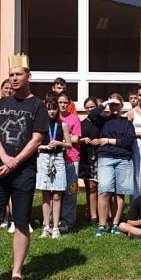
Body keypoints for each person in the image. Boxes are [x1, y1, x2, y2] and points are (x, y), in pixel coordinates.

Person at [0, 56, 49, 280]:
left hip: (24, 171)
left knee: (21, 221)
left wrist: (15, 161)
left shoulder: (37, 106)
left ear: (28, 76)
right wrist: (5, 159)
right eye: (11, 75)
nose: (14, 79)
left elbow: (37, 139)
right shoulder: (1, 104)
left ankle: (17, 272)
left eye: (18, 74)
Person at [90, 94, 137, 235]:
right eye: (112, 104)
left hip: (124, 159)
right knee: (104, 191)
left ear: (122, 105)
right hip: (106, 158)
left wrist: (108, 141)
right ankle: (102, 225)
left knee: (120, 193)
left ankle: (115, 224)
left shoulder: (127, 122)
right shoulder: (103, 120)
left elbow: (128, 141)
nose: (114, 107)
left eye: (117, 104)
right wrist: (106, 102)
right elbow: (92, 115)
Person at [36, 95, 71, 238]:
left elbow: (69, 144)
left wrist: (59, 143)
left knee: (57, 194)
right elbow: (35, 145)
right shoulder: (40, 125)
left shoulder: (62, 124)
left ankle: (56, 227)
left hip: (58, 158)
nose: (51, 112)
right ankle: (46, 226)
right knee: (45, 194)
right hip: (44, 158)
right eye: (49, 109)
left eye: (54, 109)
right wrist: (45, 146)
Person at [58, 93, 82, 231]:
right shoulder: (53, 117)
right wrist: (68, 138)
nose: (62, 105)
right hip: (56, 158)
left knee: (70, 190)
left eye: (65, 103)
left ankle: (68, 221)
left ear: (69, 104)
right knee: (55, 190)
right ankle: (53, 219)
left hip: (72, 158)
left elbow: (76, 139)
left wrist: (60, 140)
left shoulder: (74, 118)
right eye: (60, 102)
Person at [78, 96, 101, 228]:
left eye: (92, 107)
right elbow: (75, 139)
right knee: (91, 188)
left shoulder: (103, 121)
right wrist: (83, 140)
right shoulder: (82, 124)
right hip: (87, 158)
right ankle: (93, 216)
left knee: (104, 188)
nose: (90, 109)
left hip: (102, 157)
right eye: (87, 108)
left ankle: (106, 214)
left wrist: (100, 140)